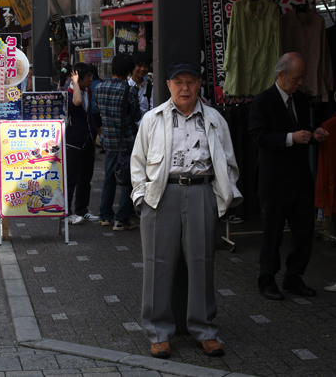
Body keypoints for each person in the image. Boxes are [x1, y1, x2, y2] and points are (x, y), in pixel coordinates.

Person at [130, 60, 242, 359]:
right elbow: (137, 163)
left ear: (199, 85)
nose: (185, 87)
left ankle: (205, 331)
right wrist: (141, 197)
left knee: (202, 263)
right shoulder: (153, 119)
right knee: (157, 265)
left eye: (191, 81)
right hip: (160, 195)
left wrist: (222, 196)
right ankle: (158, 333)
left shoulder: (215, 119)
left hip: (201, 192)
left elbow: (229, 162)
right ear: (168, 85)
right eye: (178, 81)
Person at [249, 52, 330, 301]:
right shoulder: (263, 101)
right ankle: (267, 280)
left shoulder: (302, 100)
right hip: (274, 179)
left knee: (304, 231)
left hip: (300, 177)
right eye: (296, 78)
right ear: (280, 75)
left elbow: (303, 133)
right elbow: (257, 136)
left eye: (302, 79)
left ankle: (294, 277)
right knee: (272, 234)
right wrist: (289, 138)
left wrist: (314, 136)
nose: (299, 83)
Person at [95, 54, 141, 231]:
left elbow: (97, 110)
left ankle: (105, 216)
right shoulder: (129, 90)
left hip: (109, 140)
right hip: (127, 140)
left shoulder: (99, 88)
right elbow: (136, 115)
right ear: (129, 71)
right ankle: (121, 219)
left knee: (109, 178)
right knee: (129, 179)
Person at [64, 63, 99, 225]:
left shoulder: (88, 90)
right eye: (88, 77)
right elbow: (76, 102)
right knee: (71, 178)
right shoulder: (69, 92)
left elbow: (89, 113)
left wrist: (94, 134)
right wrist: (76, 83)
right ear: (78, 78)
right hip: (72, 142)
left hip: (87, 140)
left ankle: (82, 209)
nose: (91, 80)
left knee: (86, 177)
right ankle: (67, 212)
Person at [129, 52, 153, 125]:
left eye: (145, 66)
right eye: (139, 66)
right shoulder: (125, 87)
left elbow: (153, 110)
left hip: (146, 129)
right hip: (129, 131)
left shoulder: (150, 88)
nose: (142, 69)